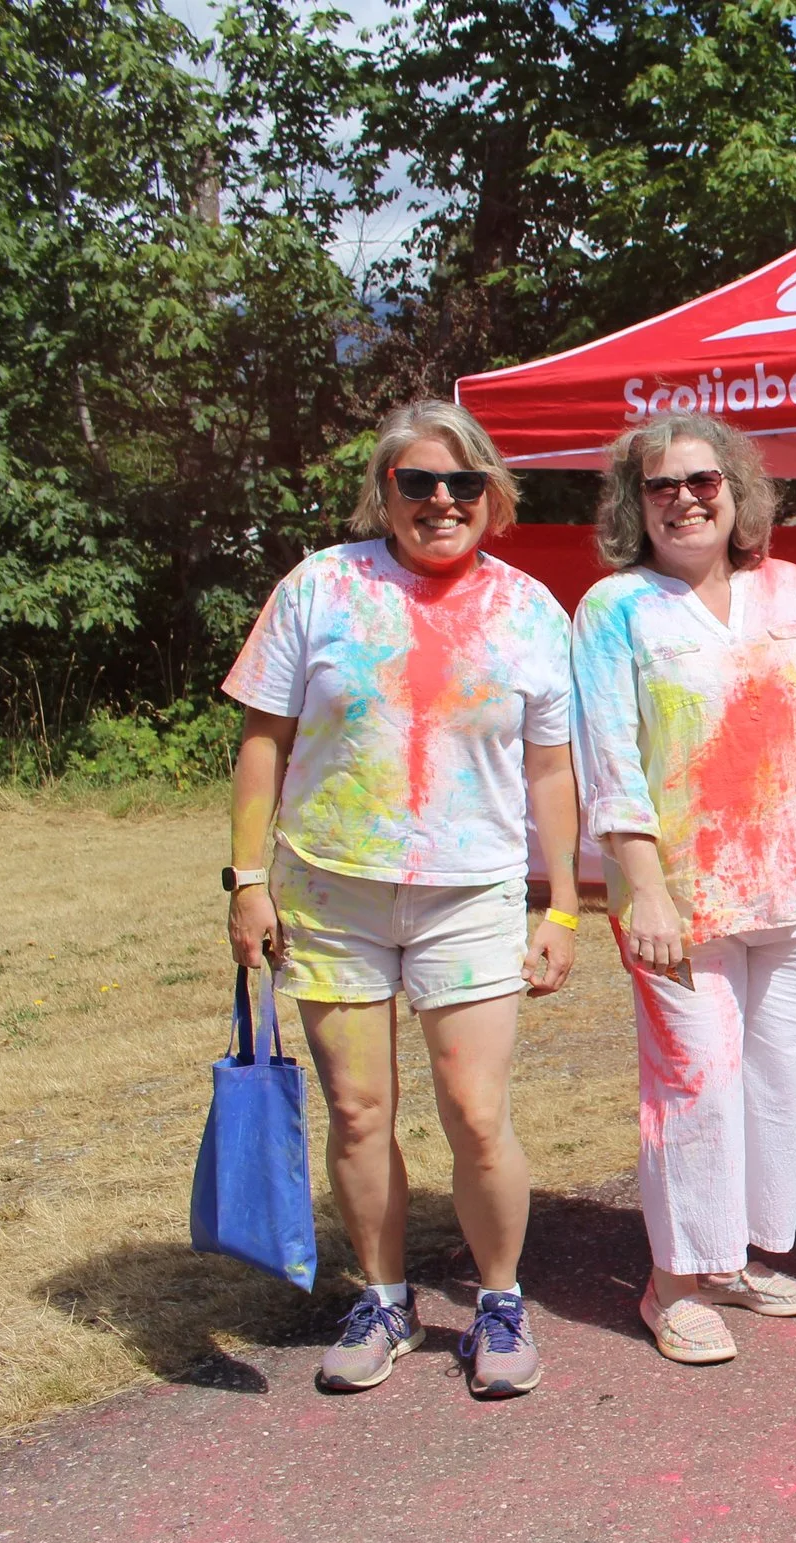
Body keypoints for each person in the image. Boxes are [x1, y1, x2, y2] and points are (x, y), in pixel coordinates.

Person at [223, 400, 579, 1400]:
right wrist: (247, 879)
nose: (439, 500)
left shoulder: (529, 610)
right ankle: (384, 1297)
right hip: (330, 889)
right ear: (383, 492)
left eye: (462, 483)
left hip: (471, 893)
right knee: (356, 1108)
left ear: (493, 498)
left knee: (474, 1110)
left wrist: (559, 905)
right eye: (415, 481)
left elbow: (552, 770)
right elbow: (263, 743)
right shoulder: (319, 587)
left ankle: (499, 1301)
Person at [571, 412, 796, 1365]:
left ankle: (736, 1256)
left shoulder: (794, 592)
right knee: (693, 1087)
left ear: (737, 491)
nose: (686, 499)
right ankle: (674, 1283)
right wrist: (644, 888)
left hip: (794, 888)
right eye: (661, 486)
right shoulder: (614, 608)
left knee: (778, 1084)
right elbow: (609, 760)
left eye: (703, 481)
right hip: (681, 901)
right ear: (636, 504)